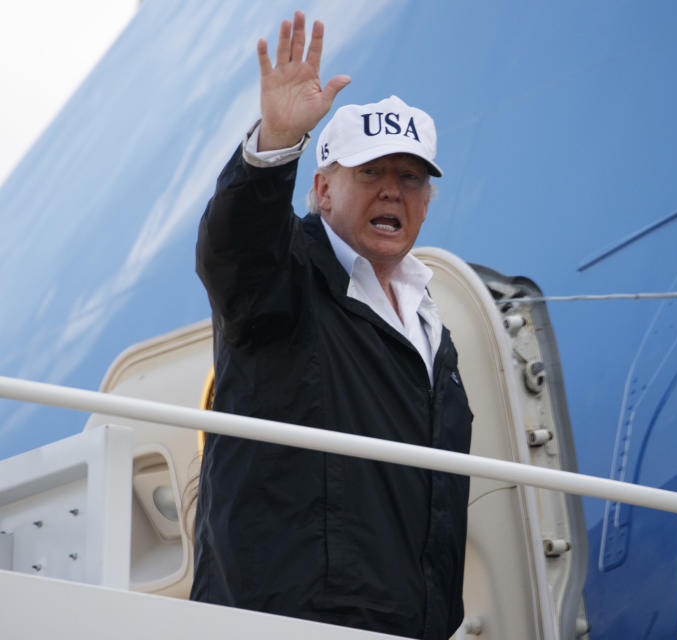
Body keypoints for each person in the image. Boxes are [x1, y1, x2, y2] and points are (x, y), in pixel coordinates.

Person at [190, 12, 473, 640]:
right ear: (322, 189)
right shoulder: (285, 280)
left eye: (410, 178)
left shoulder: (431, 330)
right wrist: (274, 145)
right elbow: (236, 248)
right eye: (369, 173)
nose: (393, 192)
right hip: (289, 620)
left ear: (427, 200)